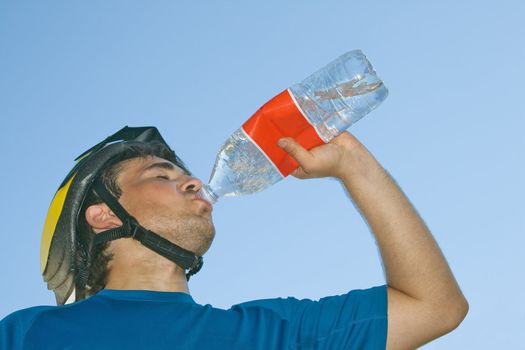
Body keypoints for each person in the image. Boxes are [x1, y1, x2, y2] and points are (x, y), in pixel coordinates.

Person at [0, 126, 468, 349]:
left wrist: (354, 166)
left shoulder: (272, 333)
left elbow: (434, 307)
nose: (192, 183)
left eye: (186, 175)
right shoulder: (30, 333)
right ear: (103, 216)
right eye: (160, 174)